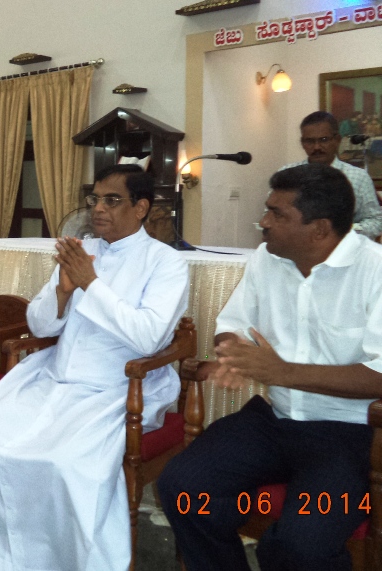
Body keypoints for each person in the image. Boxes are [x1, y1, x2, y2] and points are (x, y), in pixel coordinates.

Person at [0, 164, 189, 570]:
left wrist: (90, 283)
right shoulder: (82, 250)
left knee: (66, 462)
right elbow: (40, 326)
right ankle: (0, 554)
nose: (98, 209)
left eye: (112, 200)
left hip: (118, 386)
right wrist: (62, 293)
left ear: (141, 208)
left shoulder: (165, 262)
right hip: (56, 375)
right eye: (95, 199)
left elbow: (149, 338)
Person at [157, 163, 382, 571]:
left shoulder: (375, 270)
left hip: (350, 435)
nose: (263, 222)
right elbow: (232, 326)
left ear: (320, 229)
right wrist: (235, 354)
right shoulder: (267, 258)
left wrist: (280, 371)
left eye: (277, 214)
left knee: (301, 546)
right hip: (274, 420)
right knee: (182, 488)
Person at [281, 111, 382, 239]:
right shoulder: (288, 175)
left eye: (323, 140)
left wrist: (346, 231)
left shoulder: (358, 177)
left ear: (337, 140)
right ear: (302, 143)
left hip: (345, 246)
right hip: (298, 246)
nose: (317, 147)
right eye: (310, 141)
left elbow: (376, 220)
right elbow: (272, 216)